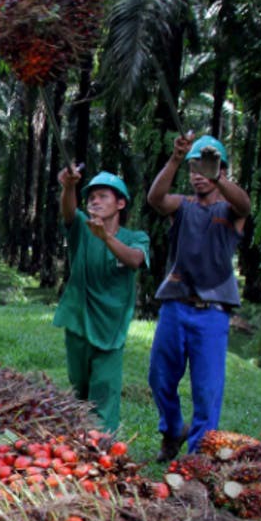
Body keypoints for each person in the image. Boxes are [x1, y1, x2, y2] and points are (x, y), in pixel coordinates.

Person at [146, 133, 252, 461]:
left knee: (207, 390)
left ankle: (197, 459)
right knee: (160, 376)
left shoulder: (230, 209)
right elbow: (155, 198)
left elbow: (245, 204)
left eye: (204, 166)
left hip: (213, 313)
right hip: (177, 305)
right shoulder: (183, 205)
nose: (197, 174)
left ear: (220, 169)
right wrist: (176, 158)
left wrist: (217, 176)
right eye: (194, 167)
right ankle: (173, 429)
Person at [52, 166, 149, 434]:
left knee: (104, 394)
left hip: (110, 328)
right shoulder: (82, 229)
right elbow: (69, 212)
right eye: (91, 196)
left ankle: (103, 452)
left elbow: (134, 260)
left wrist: (105, 237)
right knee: (79, 392)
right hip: (78, 322)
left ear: (120, 203)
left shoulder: (135, 238)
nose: (95, 200)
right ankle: (77, 447)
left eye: (103, 196)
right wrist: (69, 186)